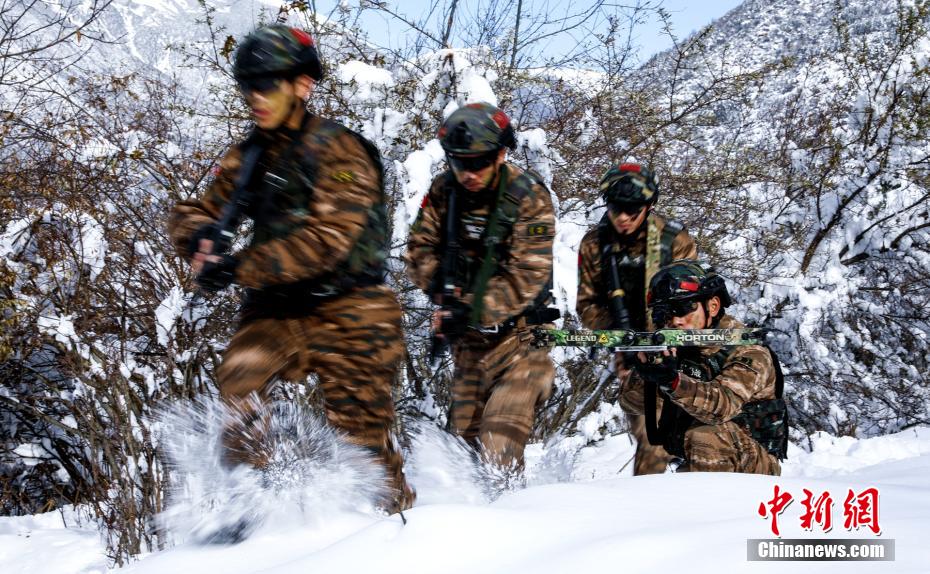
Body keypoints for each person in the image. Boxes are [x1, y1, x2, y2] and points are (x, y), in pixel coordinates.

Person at [167, 24, 414, 513]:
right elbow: (196, 210)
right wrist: (198, 237)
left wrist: (239, 266)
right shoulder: (249, 156)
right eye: (248, 87)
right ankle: (263, 509)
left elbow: (328, 242)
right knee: (240, 388)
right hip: (277, 309)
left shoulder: (339, 150)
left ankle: (394, 525)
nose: (255, 97)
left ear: (303, 85)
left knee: (362, 441)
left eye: (268, 85)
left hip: (352, 308)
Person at [405, 102, 559, 472]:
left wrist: (470, 308)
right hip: (470, 346)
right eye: (460, 163)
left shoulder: (527, 196)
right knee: (465, 453)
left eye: (478, 163)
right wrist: (445, 293)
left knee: (498, 448)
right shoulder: (444, 191)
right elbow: (418, 250)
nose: (469, 173)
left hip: (522, 341)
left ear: (501, 155)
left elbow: (527, 276)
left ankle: (516, 509)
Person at [575, 163, 696, 475]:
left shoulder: (674, 240)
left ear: (649, 206)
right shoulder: (594, 244)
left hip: (677, 349)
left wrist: (664, 338)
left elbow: (689, 301)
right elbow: (586, 305)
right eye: (616, 208)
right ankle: (644, 501)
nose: (623, 217)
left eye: (632, 210)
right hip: (629, 353)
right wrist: (620, 336)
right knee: (652, 436)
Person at [618, 260, 786, 474]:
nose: (675, 321)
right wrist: (647, 374)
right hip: (702, 460)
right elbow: (629, 403)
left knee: (707, 436)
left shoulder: (749, 350)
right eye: (665, 313)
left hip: (753, 466)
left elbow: (722, 407)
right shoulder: (677, 347)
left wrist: (673, 382)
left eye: (682, 308)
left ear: (713, 306)